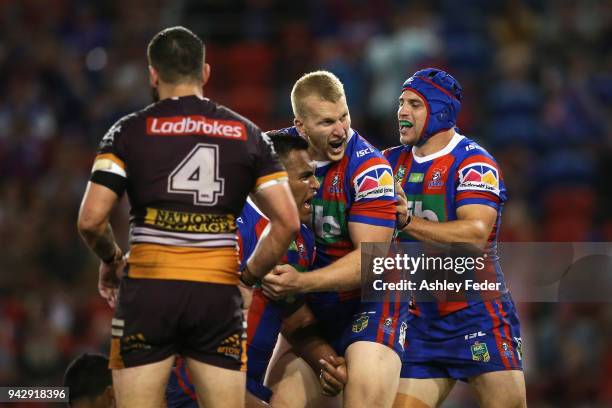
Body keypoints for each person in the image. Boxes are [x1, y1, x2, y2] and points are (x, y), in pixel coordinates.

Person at [76, 26, 300, 408]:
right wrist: (246, 279)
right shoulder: (246, 135)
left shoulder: (127, 132)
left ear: (152, 74)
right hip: (215, 295)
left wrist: (113, 260)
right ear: (206, 73)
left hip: (148, 292)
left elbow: (91, 221)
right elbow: (288, 223)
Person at [263, 71, 407, 408]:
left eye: (344, 116)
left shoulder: (370, 170)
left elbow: (372, 263)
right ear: (300, 126)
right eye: (327, 122)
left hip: (370, 303)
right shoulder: (272, 155)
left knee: (363, 399)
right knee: (279, 402)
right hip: (309, 312)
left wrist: (301, 282)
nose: (341, 129)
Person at [383, 68, 525, 408]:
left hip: (476, 313)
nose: (402, 112)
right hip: (419, 320)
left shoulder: (474, 162)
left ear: (440, 111)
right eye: (401, 103)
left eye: (414, 104)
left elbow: (475, 235)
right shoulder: (387, 163)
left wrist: (407, 221)